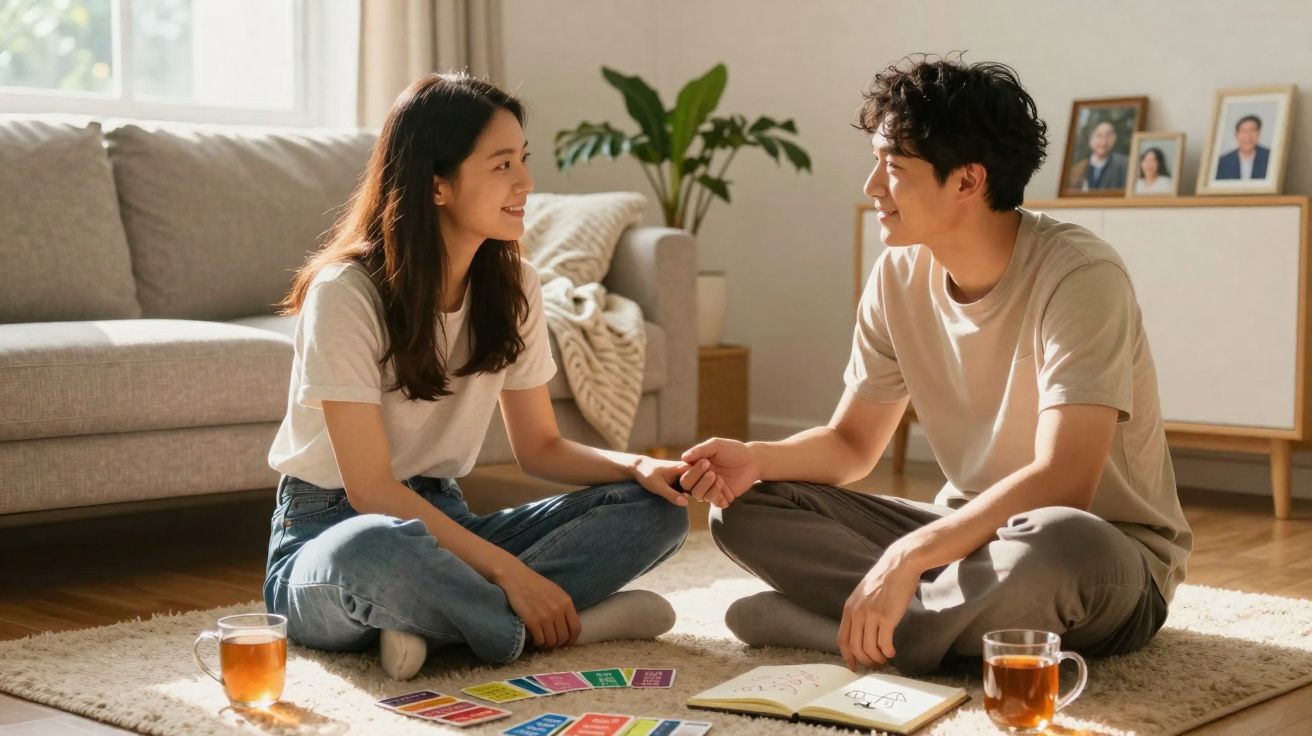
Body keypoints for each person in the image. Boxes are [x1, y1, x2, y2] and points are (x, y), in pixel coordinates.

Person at [677, 56, 1192, 676]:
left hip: (1102, 556)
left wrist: (910, 556)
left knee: (1058, 542)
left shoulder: (1081, 276)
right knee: (745, 505)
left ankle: (835, 630)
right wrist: (757, 459)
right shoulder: (896, 275)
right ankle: (922, 626)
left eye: (893, 167)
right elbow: (851, 444)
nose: (872, 186)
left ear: (968, 181)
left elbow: (1065, 481)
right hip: (962, 540)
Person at [263, 72, 698, 681]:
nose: (526, 182)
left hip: (447, 522)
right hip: (328, 532)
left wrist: (638, 467)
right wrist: (511, 573)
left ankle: (434, 625)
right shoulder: (346, 292)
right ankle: (563, 625)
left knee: (658, 511)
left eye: (523, 159)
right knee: (375, 550)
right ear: (437, 184)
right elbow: (371, 492)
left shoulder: (515, 284)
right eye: (502, 165)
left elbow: (540, 447)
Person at [1067, 119, 1129, 191]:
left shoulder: (1125, 165)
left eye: (1108, 136)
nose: (1104, 141)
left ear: (1114, 139)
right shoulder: (1077, 170)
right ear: (1090, 140)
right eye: (1099, 136)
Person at [1215, 114, 1269, 180]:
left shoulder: (1270, 157)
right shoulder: (1223, 161)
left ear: (1259, 134)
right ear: (1236, 135)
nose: (1248, 135)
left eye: (1252, 130)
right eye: (1244, 131)